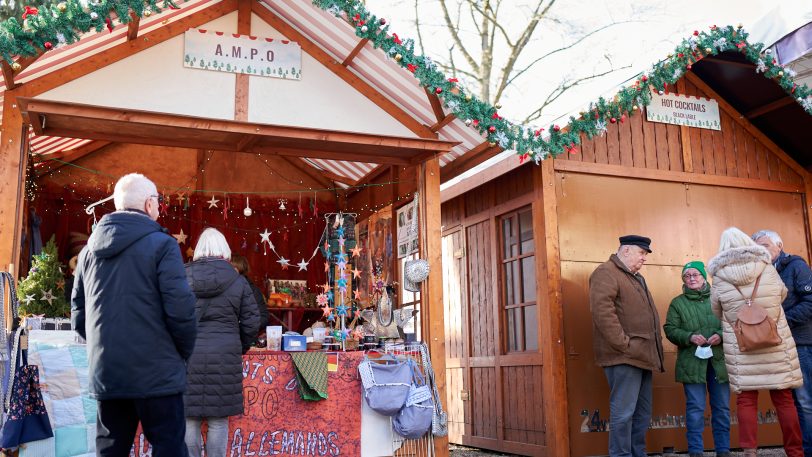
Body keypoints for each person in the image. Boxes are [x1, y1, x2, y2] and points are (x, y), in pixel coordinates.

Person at [71, 173, 197, 456]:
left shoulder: (90, 251)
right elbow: (181, 310)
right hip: (158, 373)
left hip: (109, 372)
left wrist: (104, 347)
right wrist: (181, 353)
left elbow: (79, 314)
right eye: (158, 201)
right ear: (149, 203)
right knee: (169, 448)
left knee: (111, 450)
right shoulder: (163, 245)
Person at [709, 227, 803, 457]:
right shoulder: (766, 266)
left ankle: (750, 452)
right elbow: (782, 293)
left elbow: (716, 311)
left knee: (746, 400)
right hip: (775, 342)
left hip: (742, 347)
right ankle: (795, 451)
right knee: (784, 399)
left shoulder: (720, 276)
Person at [184, 228, 259, 457]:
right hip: (225, 354)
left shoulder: (181, 276)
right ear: (224, 249)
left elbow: (166, 316)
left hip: (188, 354)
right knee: (218, 418)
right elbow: (252, 320)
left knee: (189, 417)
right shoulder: (237, 281)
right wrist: (241, 345)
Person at [589, 235, 664, 457]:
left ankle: (636, 454)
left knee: (641, 413)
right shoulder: (606, 272)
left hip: (643, 356)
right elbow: (603, 313)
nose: (645, 258)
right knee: (623, 413)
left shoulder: (635, 277)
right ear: (627, 250)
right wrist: (624, 345)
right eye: (642, 253)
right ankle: (621, 455)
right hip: (624, 356)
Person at [753, 229, 812, 456]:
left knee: (805, 401)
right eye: (757, 246)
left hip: (800, 344)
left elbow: (810, 301)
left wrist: (781, 322)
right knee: (791, 401)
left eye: (765, 245)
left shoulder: (796, 266)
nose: (762, 250)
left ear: (779, 245)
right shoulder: (759, 272)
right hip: (777, 345)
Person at [663, 261, 730, 457]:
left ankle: (723, 450)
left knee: (722, 408)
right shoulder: (677, 303)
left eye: (696, 274)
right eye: (687, 275)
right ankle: (695, 451)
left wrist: (721, 335)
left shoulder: (719, 298)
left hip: (719, 363)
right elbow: (670, 329)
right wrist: (690, 337)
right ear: (683, 279)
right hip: (691, 364)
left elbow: (732, 322)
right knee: (695, 409)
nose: (691, 278)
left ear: (704, 276)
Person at [231, 254, 269, 344]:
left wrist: (246, 327)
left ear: (239, 270)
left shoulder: (253, 290)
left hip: (246, 339)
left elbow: (263, 316)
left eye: (232, 268)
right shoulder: (223, 288)